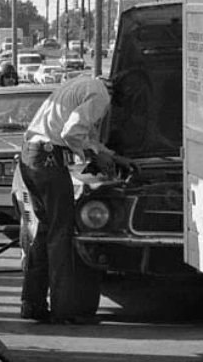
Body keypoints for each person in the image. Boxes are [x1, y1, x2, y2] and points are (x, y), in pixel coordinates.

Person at [18, 70, 145, 324]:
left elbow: (83, 135)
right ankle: (64, 310)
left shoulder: (83, 84)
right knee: (61, 234)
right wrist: (94, 157)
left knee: (44, 232)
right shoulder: (100, 97)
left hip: (31, 157)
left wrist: (111, 155)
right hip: (49, 161)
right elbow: (72, 133)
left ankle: (32, 304)